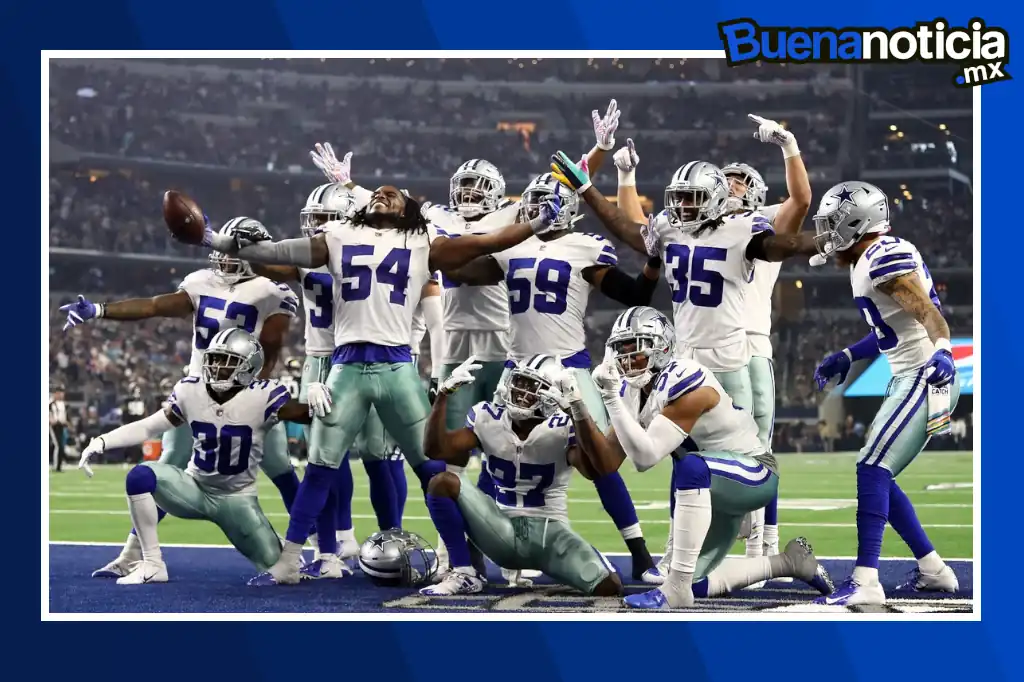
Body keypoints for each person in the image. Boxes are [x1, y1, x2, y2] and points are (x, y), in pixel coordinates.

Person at [192, 182, 563, 591]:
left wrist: (535, 224)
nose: (382, 195)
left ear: (407, 209)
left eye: (392, 194)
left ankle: (463, 568)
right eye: (377, 193)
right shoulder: (337, 234)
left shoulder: (422, 239)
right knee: (319, 468)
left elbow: (485, 242)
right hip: (346, 365)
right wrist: (214, 240)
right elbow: (279, 251)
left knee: (433, 471)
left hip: (397, 366)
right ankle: (291, 563)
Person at [443, 172, 662, 579]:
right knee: (494, 457)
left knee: (601, 464)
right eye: (532, 201)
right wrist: (460, 236)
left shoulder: (585, 247)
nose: (535, 208)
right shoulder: (512, 245)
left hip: (568, 369)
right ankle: (473, 557)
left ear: (567, 208)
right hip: (519, 370)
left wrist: (652, 262)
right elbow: (459, 270)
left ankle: (641, 555)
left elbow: (635, 295)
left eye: (545, 201)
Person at [61, 217, 304, 579]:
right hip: (197, 390)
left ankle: (316, 548)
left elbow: (271, 349)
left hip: (249, 395)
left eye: (235, 248)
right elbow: (155, 305)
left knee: (281, 468)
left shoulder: (272, 290)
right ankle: (134, 554)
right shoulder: (200, 282)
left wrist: (253, 399)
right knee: (169, 463)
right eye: (225, 248)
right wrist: (99, 310)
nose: (226, 256)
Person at [551, 306, 833, 608]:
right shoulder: (631, 391)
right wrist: (577, 408)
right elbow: (605, 464)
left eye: (636, 349)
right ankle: (791, 562)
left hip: (754, 474)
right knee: (697, 582)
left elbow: (645, 458)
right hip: (712, 489)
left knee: (689, 468)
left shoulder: (685, 377)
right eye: (621, 350)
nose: (627, 359)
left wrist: (609, 399)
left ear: (662, 348)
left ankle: (675, 589)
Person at [76, 329, 329, 584]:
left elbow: (311, 414)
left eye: (225, 361)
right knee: (140, 476)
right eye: (213, 359)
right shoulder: (191, 390)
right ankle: (152, 563)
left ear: (248, 367)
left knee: (281, 571)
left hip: (237, 501)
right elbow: (149, 426)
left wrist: (318, 393)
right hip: (195, 489)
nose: (215, 367)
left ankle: (293, 547)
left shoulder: (265, 395)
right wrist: (102, 441)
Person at [810, 181, 961, 605]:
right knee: (877, 471)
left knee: (872, 468)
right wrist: (848, 354)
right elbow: (889, 328)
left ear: (857, 223)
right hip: (908, 375)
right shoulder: (868, 257)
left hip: (925, 374)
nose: (825, 234)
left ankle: (865, 581)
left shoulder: (882, 257)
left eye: (832, 224)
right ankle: (934, 570)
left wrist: (944, 349)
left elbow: (926, 312)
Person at [422, 353, 623, 597]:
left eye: (531, 386)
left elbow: (593, 471)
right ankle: (465, 572)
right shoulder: (488, 417)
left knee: (609, 585)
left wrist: (577, 412)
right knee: (442, 482)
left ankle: (563, 570)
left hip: (551, 534)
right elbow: (435, 449)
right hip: (499, 528)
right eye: (519, 382)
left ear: (550, 395)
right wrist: (443, 395)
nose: (520, 391)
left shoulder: (563, 427)